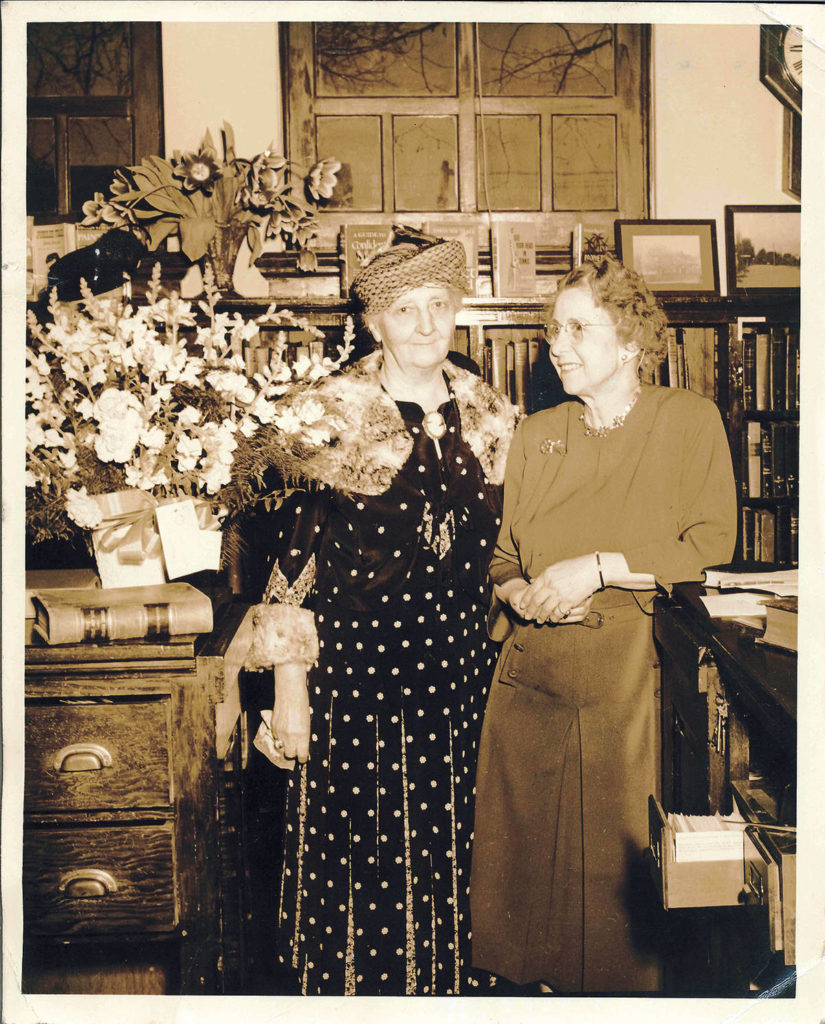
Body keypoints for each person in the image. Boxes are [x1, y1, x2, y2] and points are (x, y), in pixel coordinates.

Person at [243, 231, 519, 995]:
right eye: (405, 310)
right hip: (353, 684)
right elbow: (289, 568)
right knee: (358, 861)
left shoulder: (493, 413)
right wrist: (287, 687)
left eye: (440, 305)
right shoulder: (325, 412)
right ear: (373, 324)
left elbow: (506, 548)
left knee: (454, 854)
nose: (427, 325)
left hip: (461, 680)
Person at [469, 254, 737, 994]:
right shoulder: (536, 433)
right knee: (527, 897)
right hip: (530, 680)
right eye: (553, 329)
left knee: (618, 907)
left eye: (579, 328)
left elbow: (710, 544)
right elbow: (499, 556)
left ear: (629, 341)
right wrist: (520, 591)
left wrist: (597, 565)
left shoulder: (686, 420)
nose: (559, 344)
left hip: (631, 679)